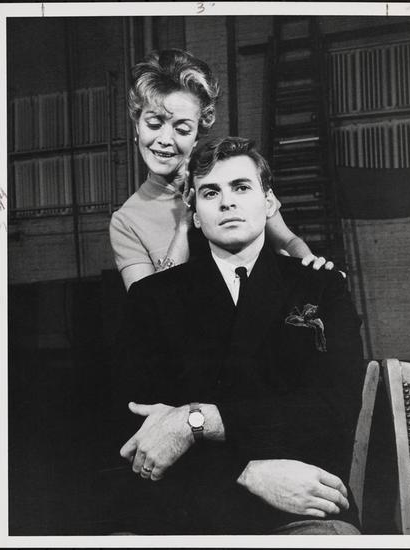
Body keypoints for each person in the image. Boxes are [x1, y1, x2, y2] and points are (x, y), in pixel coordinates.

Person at [116, 137, 364, 535]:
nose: (227, 202)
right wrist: (245, 471)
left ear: (268, 203)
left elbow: (335, 411)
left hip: (300, 504)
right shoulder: (152, 298)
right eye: (211, 192)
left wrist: (197, 420)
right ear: (196, 215)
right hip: (192, 507)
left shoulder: (322, 287)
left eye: (241, 187)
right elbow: (142, 429)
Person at [109, 49, 334, 291]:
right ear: (137, 126)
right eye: (153, 124)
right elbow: (146, 303)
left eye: (182, 130)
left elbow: (287, 241)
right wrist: (183, 227)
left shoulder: (237, 176)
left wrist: (312, 268)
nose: (165, 139)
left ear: (198, 133)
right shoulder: (127, 221)